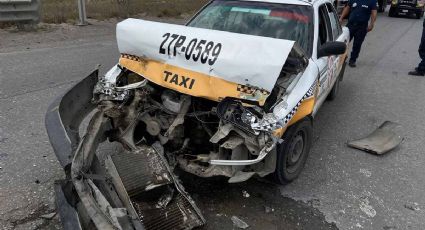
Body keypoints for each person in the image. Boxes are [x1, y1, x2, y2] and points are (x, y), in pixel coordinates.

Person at [339, 0, 378, 67]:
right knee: (344, 42)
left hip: (362, 27)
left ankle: (352, 60)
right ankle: (341, 58)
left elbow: (374, 13)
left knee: (357, 44)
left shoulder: (372, 1)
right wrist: (341, 18)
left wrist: (371, 24)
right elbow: (347, 8)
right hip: (350, 25)